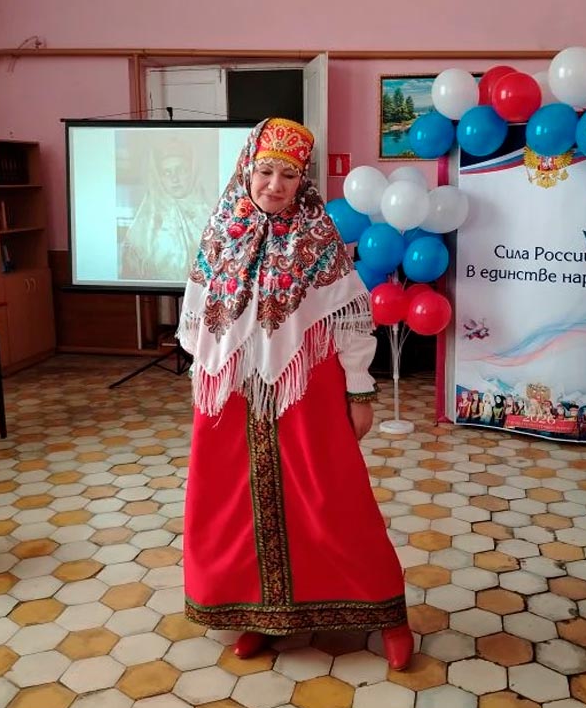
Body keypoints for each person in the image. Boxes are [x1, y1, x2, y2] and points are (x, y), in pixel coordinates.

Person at [177, 117, 413, 670]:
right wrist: (210, 371)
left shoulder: (317, 236)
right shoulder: (221, 231)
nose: (274, 185)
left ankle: (387, 613)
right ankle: (263, 614)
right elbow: (199, 315)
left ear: (302, 180)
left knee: (333, 501)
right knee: (236, 506)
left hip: (306, 388)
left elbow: (351, 320)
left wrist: (360, 392)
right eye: (265, 171)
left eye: (288, 175)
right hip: (234, 393)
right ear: (247, 169)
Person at [121, 137, 213, 283]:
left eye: (181, 170)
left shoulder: (212, 214)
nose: (174, 179)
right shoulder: (145, 224)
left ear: (192, 171)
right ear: (160, 178)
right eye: (167, 172)